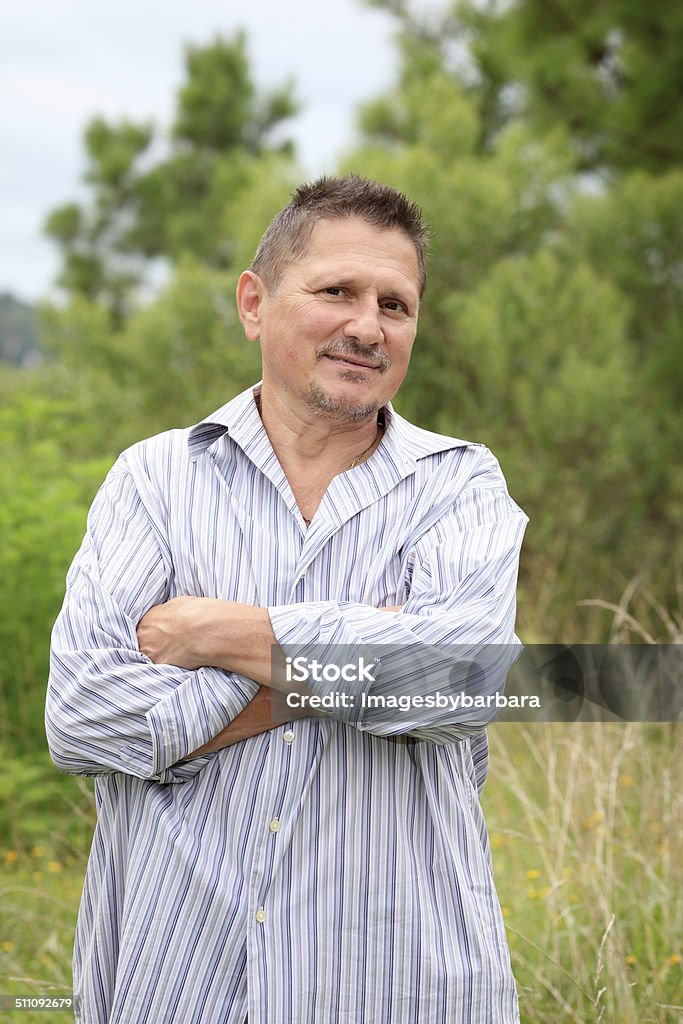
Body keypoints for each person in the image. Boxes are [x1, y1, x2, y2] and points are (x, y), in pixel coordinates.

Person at [46, 174, 528, 1023]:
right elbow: (83, 717)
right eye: (336, 291)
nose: (366, 326)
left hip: (398, 982)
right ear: (254, 304)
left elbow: (456, 681)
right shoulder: (153, 481)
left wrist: (218, 630)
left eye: (395, 304)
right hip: (180, 977)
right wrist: (356, 663)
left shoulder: (460, 485)